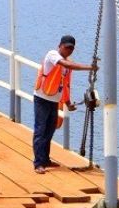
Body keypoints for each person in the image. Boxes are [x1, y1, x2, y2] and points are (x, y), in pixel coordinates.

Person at [32, 34, 97, 174]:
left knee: (49, 130)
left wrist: (67, 103)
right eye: (67, 47)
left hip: (54, 100)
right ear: (60, 45)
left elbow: (66, 85)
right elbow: (66, 64)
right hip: (42, 98)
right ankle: (38, 163)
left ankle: (45, 159)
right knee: (40, 130)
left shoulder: (67, 65)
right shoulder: (53, 55)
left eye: (71, 49)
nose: (69, 50)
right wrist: (89, 68)